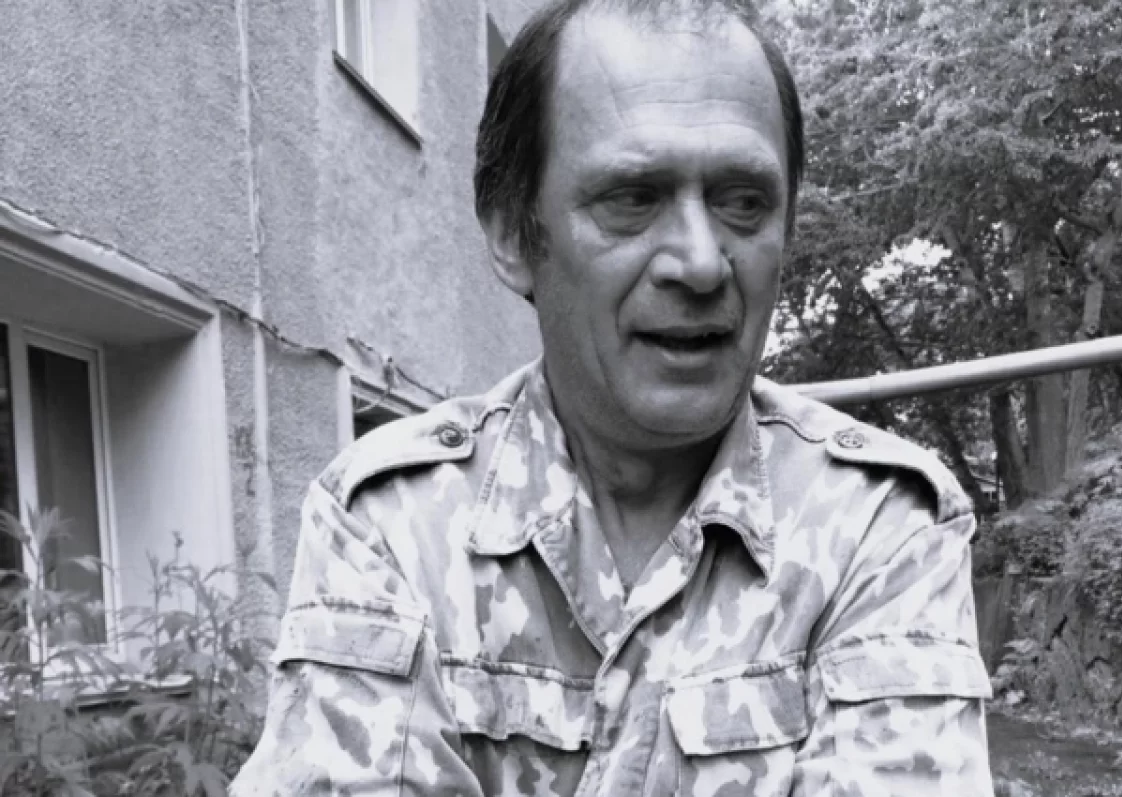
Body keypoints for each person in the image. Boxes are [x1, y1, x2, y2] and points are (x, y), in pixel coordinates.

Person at [230, 0, 995, 794]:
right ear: (512, 233)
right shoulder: (390, 523)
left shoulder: (879, 526)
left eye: (744, 202)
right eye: (632, 198)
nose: (702, 263)